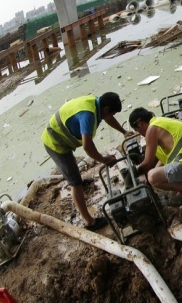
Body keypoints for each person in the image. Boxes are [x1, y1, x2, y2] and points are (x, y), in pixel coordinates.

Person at [42, 92, 129, 231]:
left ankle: (80, 182)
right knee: (74, 182)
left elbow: (108, 118)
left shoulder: (96, 103)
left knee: (75, 173)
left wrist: (123, 131)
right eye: (111, 113)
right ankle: (89, 221)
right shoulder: (88, 116)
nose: (111, 116)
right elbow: (87, 146)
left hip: (62, 135)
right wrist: (104, 160)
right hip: (55, 143)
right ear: (106, 109)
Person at [128, 107, 182, 206]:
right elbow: (167, 158)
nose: (139, 134)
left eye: (137, 130)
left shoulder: (152, 129)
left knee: (152, 176)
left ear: (139, 122)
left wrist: (133, 173)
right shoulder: (160, 122)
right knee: (156, 174)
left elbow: (148, 163)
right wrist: (155, 173)